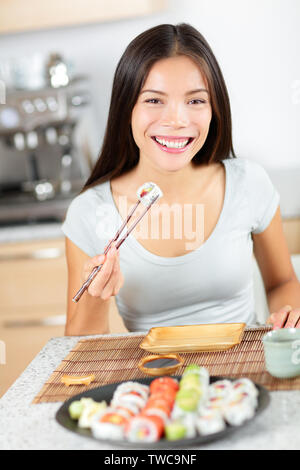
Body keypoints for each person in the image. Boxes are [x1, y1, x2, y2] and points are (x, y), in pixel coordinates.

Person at [62, 23, 300, 336]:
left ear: (214, 109)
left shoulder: (249, 183)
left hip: (242, 378)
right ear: (126, 109)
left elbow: (282, 282)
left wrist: (289, 316)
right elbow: (79, 348)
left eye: (195, 101)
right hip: (154, 381)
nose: (176, 120)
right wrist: (95, 297)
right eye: (154, 100)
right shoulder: (89, 212)